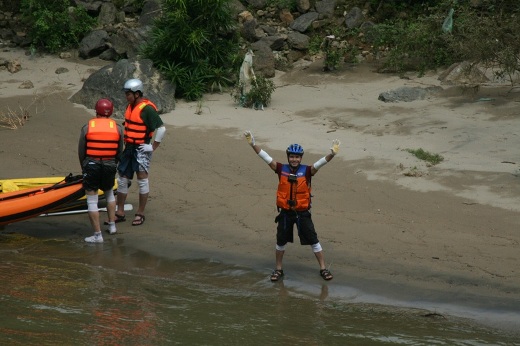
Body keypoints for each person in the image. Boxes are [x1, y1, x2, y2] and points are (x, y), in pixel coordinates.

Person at [244, 130, 340, 282]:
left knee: (314, 241)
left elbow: (320, 164)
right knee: (280, 242)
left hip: (302, 213)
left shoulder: (307, 171)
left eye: (297, 157)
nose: (294, 159)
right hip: (285, 213)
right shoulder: (281, 169)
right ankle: (278, 269)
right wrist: (253, 145)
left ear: (300, 158)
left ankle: (323, 268)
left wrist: (332, 154)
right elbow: (266, 158)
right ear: (288, 157)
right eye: (292, 156)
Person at [112, 78, 166, 226]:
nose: (126, 97)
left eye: (128, 94)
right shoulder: (130, 107)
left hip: (141, 149)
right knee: (123, 179)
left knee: (142, 180)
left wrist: (152, 147)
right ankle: (120, 212)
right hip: (129, 148)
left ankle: (140, 213)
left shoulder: (147, 109)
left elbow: (161, 128)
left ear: (136, 94)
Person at [79, 98, 124, 243]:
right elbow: (119, 150)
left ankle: (97, 235)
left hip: (91, 165)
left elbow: (82, 151)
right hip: (110, 164)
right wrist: (113, 163)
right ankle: (112, 226)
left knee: (92, 200)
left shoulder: (87, 127)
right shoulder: (117, 128)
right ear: (110, 112)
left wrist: (84, 167)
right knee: (109, 192)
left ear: (96, 110)